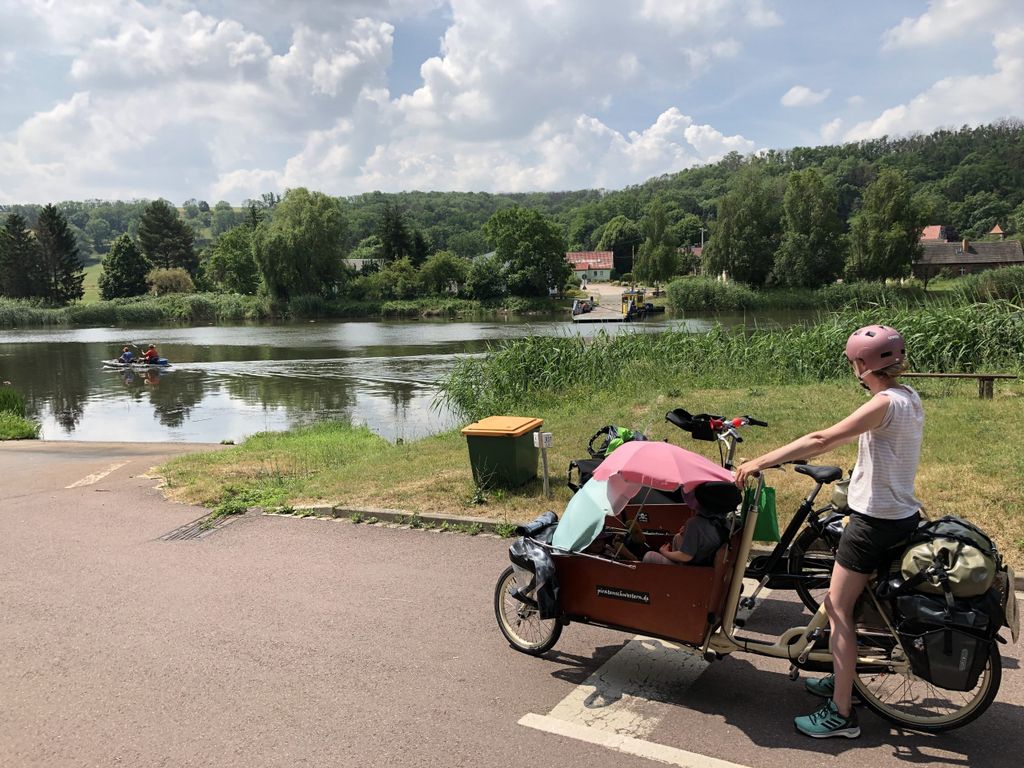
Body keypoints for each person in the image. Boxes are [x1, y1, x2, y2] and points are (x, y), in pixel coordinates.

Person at [734, 325, 923, 739]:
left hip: (874, 523)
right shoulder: (908, 396)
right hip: (902, 515)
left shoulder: (883, 404)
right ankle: (845, 678)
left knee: (837, 612)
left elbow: (821, 439)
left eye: (854, 363)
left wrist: (759, 462)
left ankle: (841, 713)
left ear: (862, 364)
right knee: (849, 607)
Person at [642, 481, 740, 566]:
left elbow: (685, 556)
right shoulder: (725, 523)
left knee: (649, 555)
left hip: (693, 569)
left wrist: (664, 552)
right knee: (677, 537)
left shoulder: (694, 524)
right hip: (707, 562)